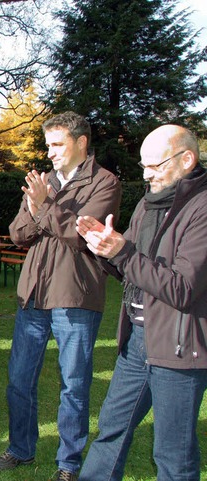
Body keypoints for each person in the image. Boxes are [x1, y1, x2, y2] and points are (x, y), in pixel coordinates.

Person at [0, 111, 122, 481]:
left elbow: (81, 235)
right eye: (48, 144)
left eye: (58, 144)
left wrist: (44, 205)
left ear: (81, 142)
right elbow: (18, 235)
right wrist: (34, 207)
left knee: (74, 383)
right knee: (19, 379)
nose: (50, 152)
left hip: (75, 296)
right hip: (33, 294)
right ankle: (20, 448)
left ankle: (68, 464)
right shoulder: (43, 182)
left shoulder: (105, 183)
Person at [76, 125, 207, 481]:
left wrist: (122, 252)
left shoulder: (202, 208)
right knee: (111, 431)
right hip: (137, 342)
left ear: (186, 159)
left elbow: (181, 288)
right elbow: (133, 269)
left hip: (179, 349)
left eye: (155, 166)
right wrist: (105, 249)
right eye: (143, 166)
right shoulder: (150, 204)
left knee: (173, 455)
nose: (146, 175)